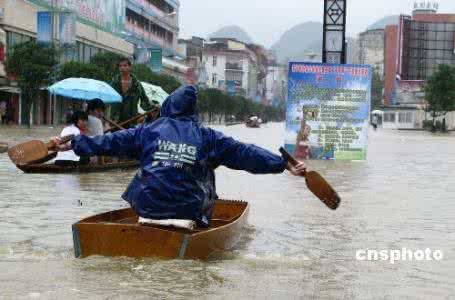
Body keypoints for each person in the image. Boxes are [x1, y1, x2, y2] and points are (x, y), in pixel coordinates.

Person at [52, 86, 306, 228]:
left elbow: (107, 143)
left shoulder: (147, 131)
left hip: (146, 209)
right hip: (187, 213)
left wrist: (74, 143)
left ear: (168, 107)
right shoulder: (208, 137)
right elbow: (246, 154)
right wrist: (282, 163)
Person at [111, 58, 153, 123]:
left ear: (130, 67)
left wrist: (154, 107)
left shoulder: (136, 85)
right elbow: (108, 100)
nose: (122, 68)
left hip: (131, 120)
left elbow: (144, 101)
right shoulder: (114, 83)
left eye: (125, 65)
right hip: (114, 120)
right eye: (120, 66)